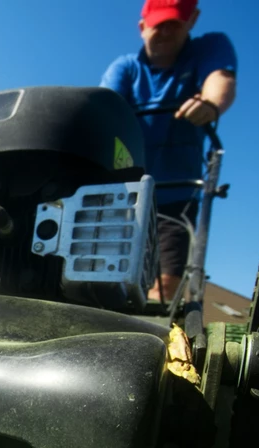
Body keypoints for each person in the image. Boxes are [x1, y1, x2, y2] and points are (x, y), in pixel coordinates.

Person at [101, 0, 237, 301]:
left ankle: (148, 337)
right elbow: (107, 108)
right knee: (107, 272)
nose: (164, 31)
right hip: (124, 193)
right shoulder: (126, 68)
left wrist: (210, 104)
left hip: (178, 196)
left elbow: (220, 79)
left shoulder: (208, 48)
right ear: (142, 27)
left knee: (165, 283)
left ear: (191, 21)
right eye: (158, 24)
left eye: (173, 23)